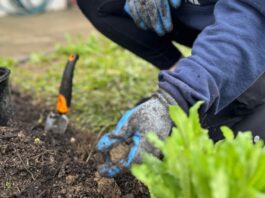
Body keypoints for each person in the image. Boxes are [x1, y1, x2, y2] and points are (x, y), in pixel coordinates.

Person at [77, 0, 265, 177]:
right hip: (205, 15)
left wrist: (178, 95)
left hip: (251, 24)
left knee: (223, 151)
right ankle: (185, 70)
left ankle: (209, 77)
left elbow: (253, 17)